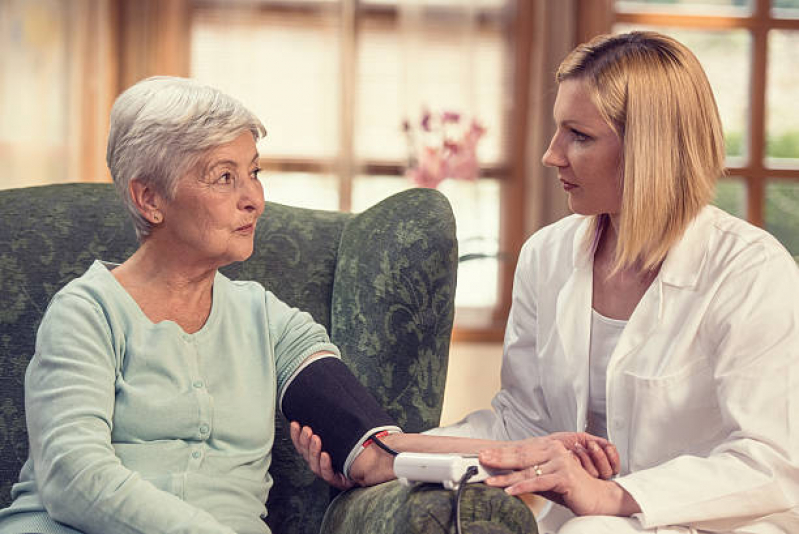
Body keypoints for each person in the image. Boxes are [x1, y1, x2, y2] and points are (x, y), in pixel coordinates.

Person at [0, 76, 617, 534]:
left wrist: (528, 453)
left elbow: (376, 450)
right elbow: (72, 476)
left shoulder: (270, 322)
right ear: (149, 198)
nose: (254, 200)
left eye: (254, 173)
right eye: (223, 177)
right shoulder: (87, 312)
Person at [294, 31, 799, 534]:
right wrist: (390, 454)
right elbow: (521, 425)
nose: (551, 155)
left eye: (578, 135)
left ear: (651, 150)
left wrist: (613, 495)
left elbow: (771, 460)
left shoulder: (751, 272)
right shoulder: (547, 255)